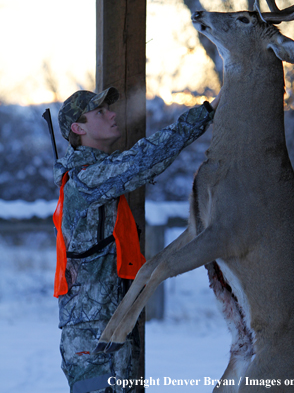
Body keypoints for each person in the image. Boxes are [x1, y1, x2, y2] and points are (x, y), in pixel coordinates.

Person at [53, 87, 219, 393]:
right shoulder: (87, 180)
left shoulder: (92, 176)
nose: (112, 114)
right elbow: (144, 159)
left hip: (111, 324)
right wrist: (205, 113)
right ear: (79, 128)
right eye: (99, 112)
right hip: (93, 336)